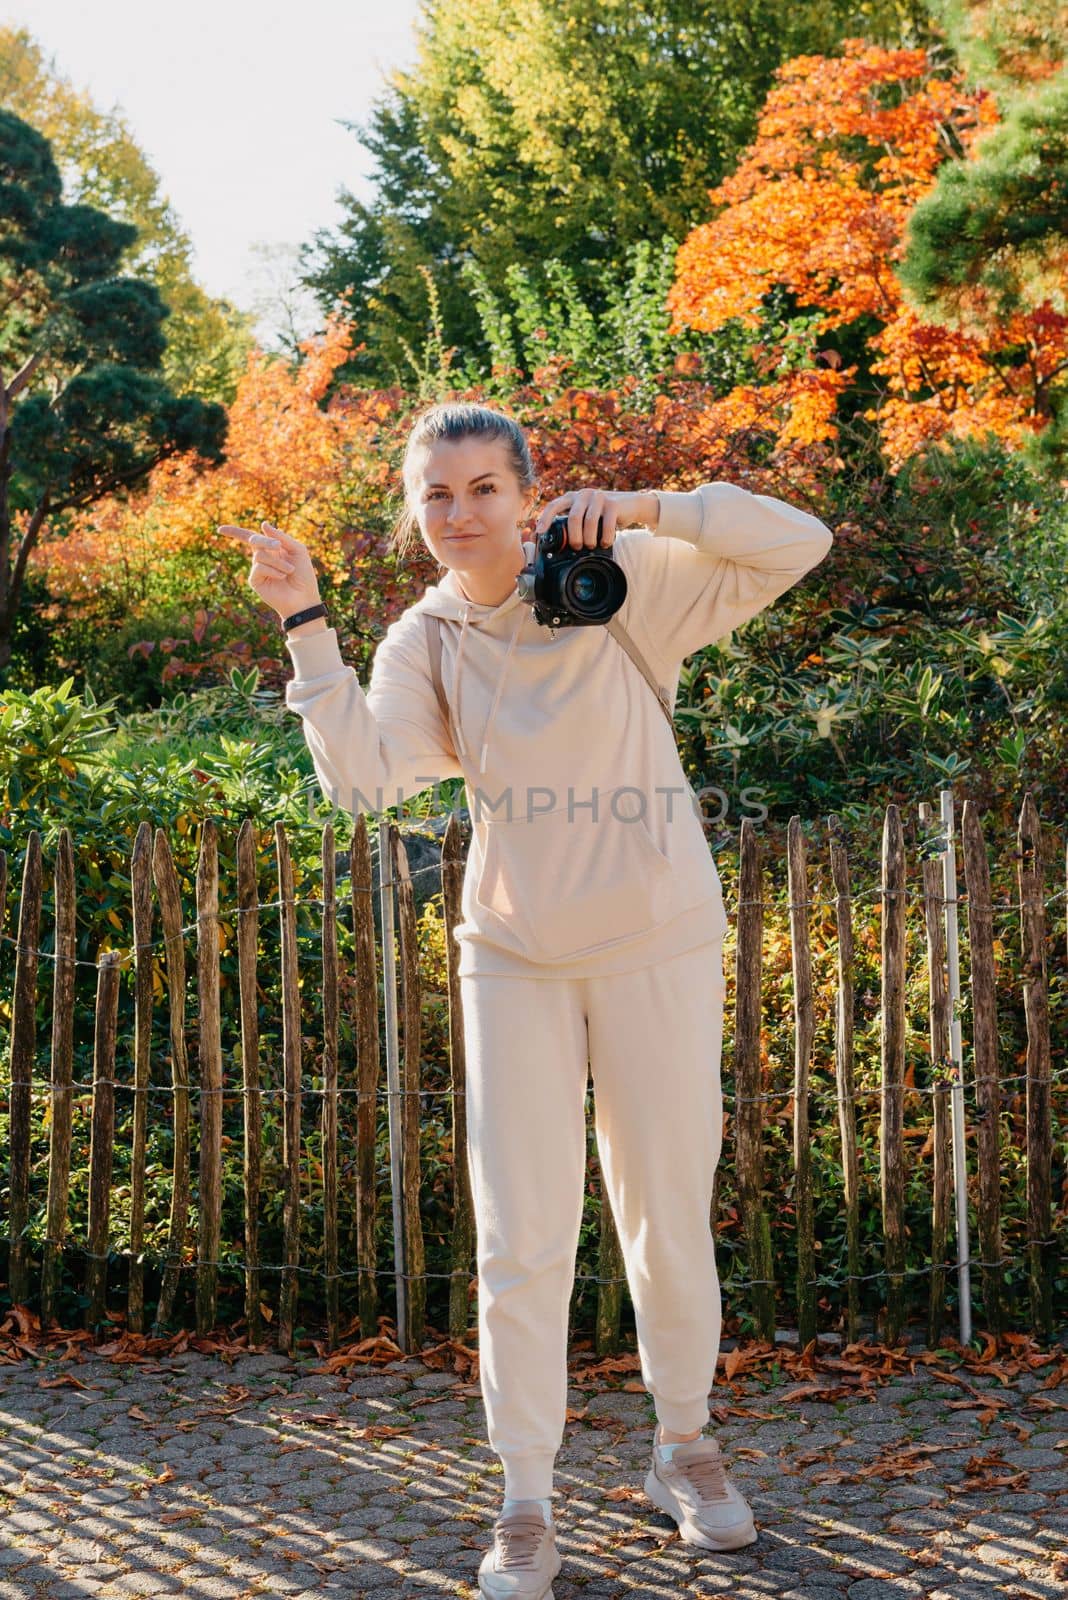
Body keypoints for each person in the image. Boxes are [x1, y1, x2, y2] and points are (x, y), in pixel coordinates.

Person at [219, 401, 834, 1600]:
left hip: (656, 938)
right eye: (435, 494)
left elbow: (795, 539)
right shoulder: (425, 639)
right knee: (520, 1237)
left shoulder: (628, 580)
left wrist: (648, 506)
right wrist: (303, 619)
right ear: (414, 508)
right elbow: (363, 778)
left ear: (530, 493)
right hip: (512, 955)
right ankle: (524, 1500)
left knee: (665, 1209)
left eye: (484, 489)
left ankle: (685, 1450)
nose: (458, 515)